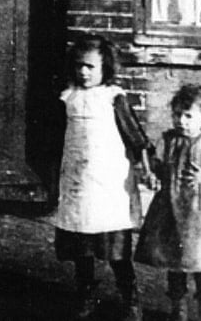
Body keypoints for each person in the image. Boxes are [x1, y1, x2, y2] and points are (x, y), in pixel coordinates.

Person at [54, 34, 154, 321]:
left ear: (105, 68)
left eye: (90, 67)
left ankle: (130, 295)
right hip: (78, 179)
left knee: (114, 246)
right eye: (78, 66)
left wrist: (145, 167)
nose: (83, 72)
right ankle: (86, 292)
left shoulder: (113, 98)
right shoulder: (68, 97)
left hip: (108, 182)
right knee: (81, 240)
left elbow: (135, 136)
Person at [135, 84, 201, 321]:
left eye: (188, 115)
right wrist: (152, 177)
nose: (181, 121)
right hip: (172, 211)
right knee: (175, 261)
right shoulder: (168, 141)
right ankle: (178, 308)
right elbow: (160, 169)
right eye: (177, 115)